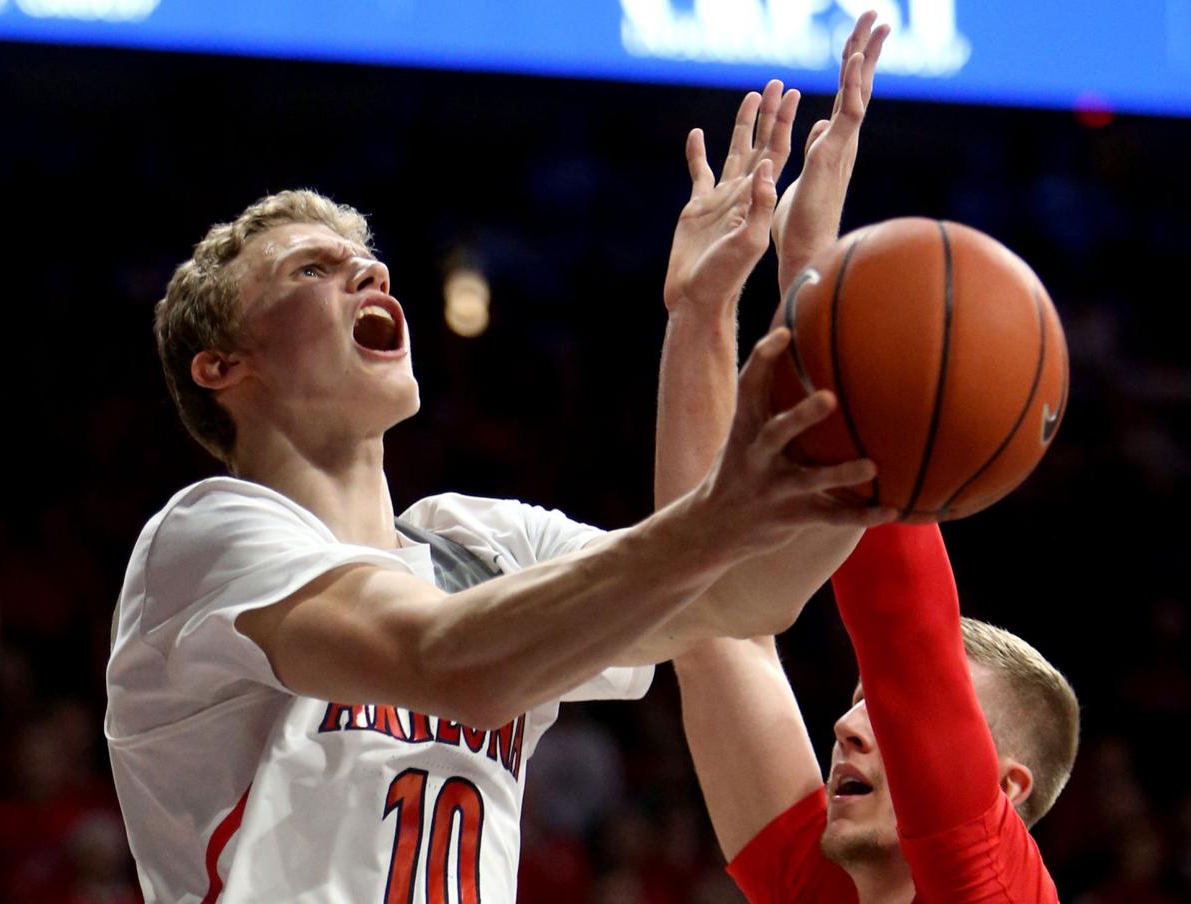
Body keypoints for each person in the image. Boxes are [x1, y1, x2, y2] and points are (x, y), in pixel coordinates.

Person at [103, 21, 894, 901]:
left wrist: (798, 314)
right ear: (221, 367)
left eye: (369, 261)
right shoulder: (206, 539)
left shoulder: (484, 543)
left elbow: (739, 600)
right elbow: (450, 662)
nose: (369, 274)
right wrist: (715, 524)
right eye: (311, 271)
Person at [654, 14, 1082, 904]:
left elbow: (905, 638)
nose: (847, 726)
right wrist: (702, 312)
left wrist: (815, 281)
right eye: (859, 701)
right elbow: (705, 618)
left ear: (1004, 791)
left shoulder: (994, 893)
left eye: (881, 707)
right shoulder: (817, 884)